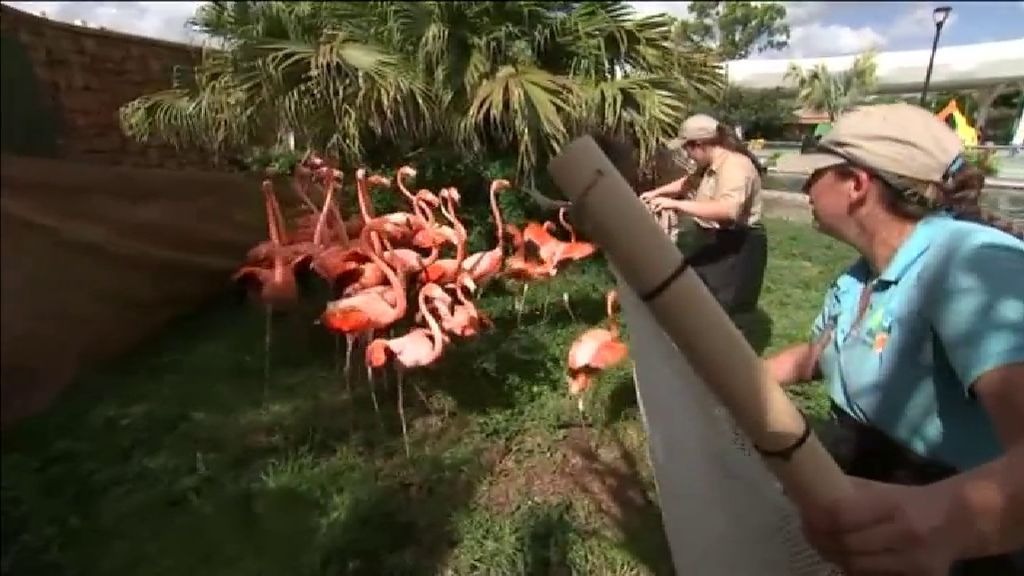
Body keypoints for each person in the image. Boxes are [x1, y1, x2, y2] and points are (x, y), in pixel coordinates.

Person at [766, 103, 1024, 576]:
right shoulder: (860, 278)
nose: (805, 186)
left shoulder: (970, 265)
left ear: (857, 184)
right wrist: (733, 376)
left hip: (969, 549)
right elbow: (820, 354)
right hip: (872, 495)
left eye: (816, 173)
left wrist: (939, 522)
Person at [639, 114, 768, 315]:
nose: (687, 155)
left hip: (737, 244)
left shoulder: (735, 166)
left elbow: (727, 211)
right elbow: (687, 183)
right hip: (712, 238)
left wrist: (676, 205)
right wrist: (656, 193)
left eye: (687, 149)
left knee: (723, 309)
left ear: (699, 144)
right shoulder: (709, 164)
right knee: (697, 293)